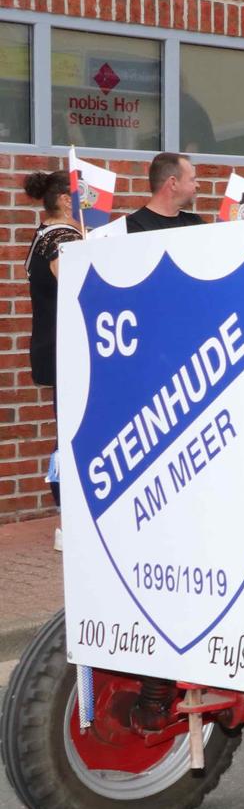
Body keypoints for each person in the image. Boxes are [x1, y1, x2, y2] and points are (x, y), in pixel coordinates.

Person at [23, 166, 83, 544]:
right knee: (70, 431)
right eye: (81, 195)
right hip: (67, 346)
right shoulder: (62, 238)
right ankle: (67, 517)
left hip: (53, 344)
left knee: (67, 427)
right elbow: (79, 287)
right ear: (65, 199)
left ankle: (69, 514)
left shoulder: (43, 234)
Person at [125, 152, 203, 232]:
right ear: (173, 183)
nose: (198, 185)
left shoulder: (196, 223)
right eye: (192, 180)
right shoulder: (134, 227)